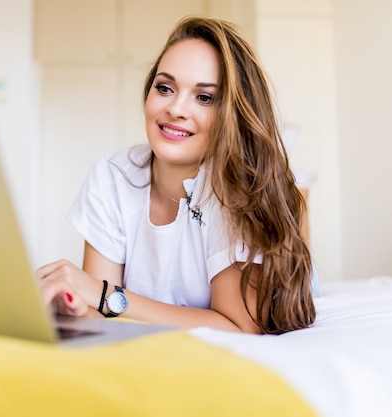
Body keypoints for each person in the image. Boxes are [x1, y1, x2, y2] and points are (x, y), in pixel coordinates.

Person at [37, 16, 316, 335]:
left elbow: (239, 327)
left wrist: (107, 297)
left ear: (232, 113)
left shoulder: (235, 189)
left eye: (205, 97)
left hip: (265, 273)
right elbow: (102, 308)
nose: (176, 109)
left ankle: (299, 190)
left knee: (290, 200)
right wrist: (76, 304)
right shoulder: (112, 175)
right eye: (165, 88)